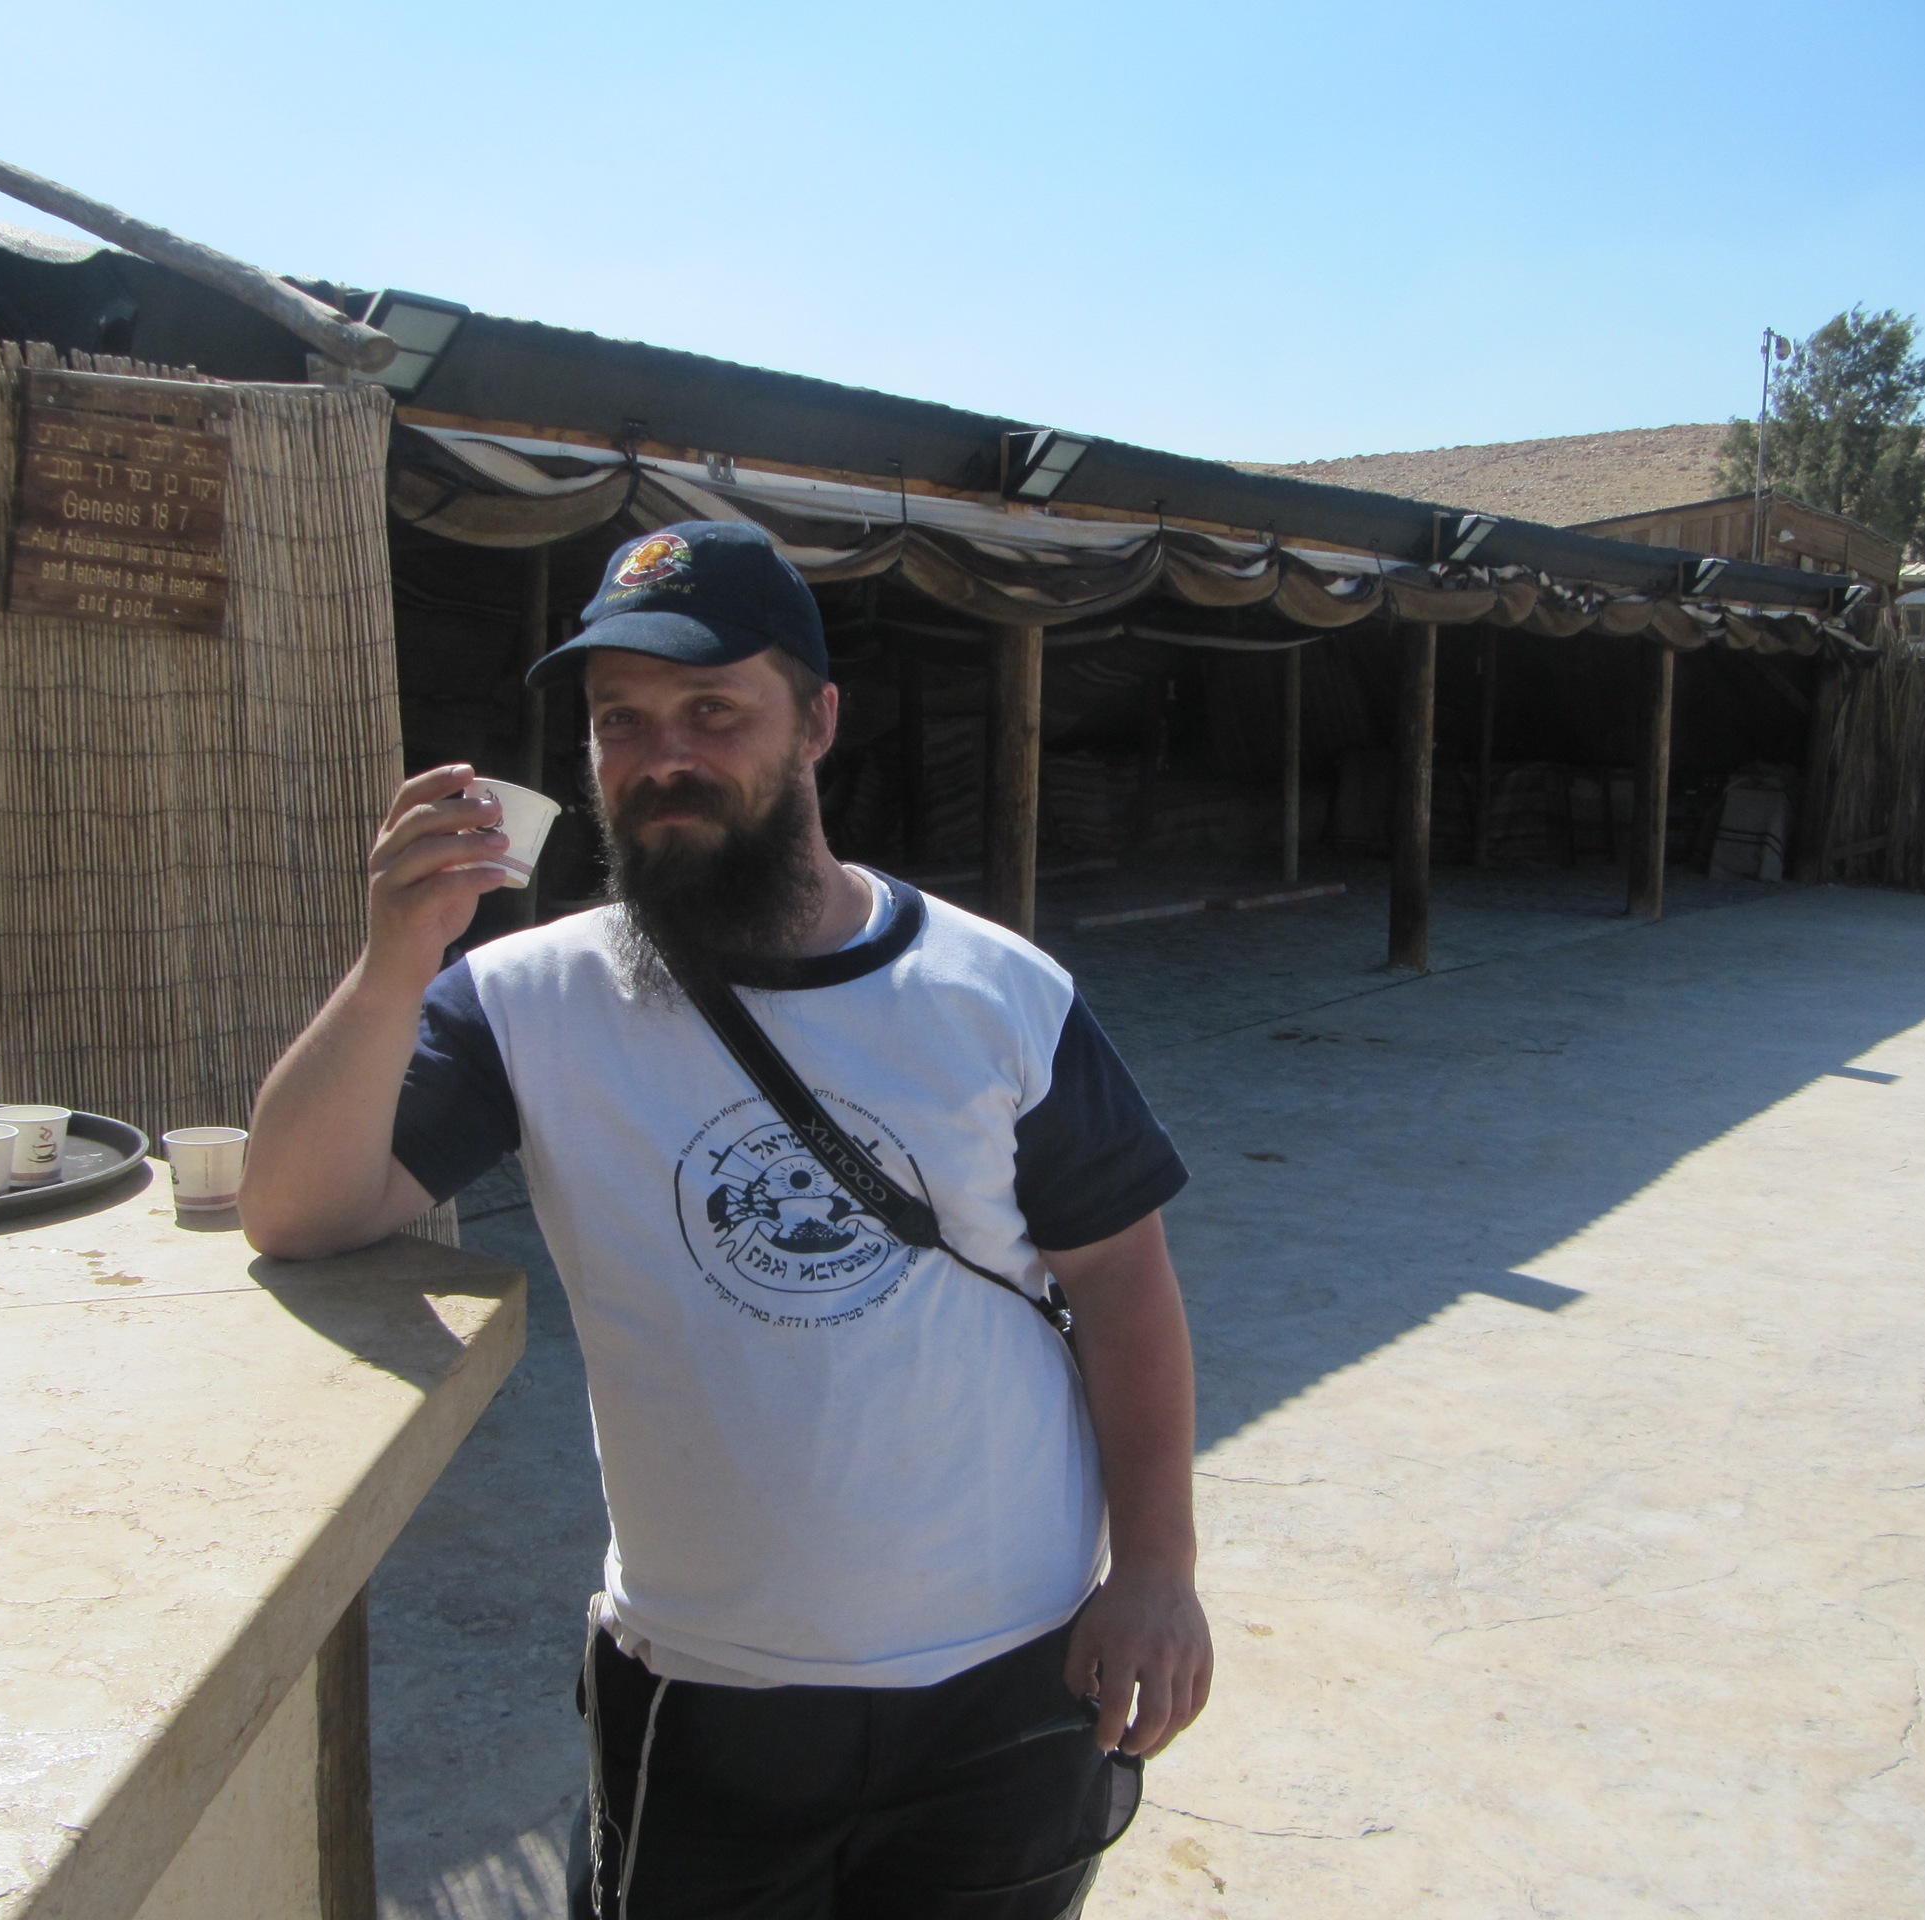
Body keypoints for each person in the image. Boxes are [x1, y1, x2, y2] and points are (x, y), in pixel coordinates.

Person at [242, 520, 1211, 1919]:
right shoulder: (525, 1003)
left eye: (714, 712)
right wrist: (395, 966)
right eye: (620, 721)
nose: (664, 757)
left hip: (1011, 1668)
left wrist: (1160, 1570)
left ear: (816, 722)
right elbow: (295, 1212)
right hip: (707, 1690)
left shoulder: (997, 994)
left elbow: (1120, 1281)